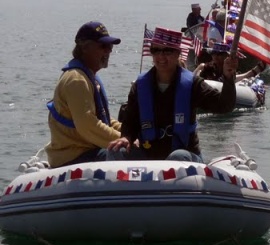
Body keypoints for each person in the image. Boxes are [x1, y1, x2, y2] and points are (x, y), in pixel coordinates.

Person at [107, 27, 238, 163]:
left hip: (185, 157)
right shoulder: (140, 86)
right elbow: (130, 122)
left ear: (178, 54)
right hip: (148, 156)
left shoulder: (192, 84)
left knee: (178, 156)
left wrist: (228, 78)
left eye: (167, 51)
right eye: (156, 50)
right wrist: (126, 138)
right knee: (115, 151)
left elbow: (224, 106)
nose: (161, 56)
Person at [45, 21, 123, 168]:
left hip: (89, 151)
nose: (109, 51)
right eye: (103, 46)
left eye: (110, 47)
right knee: (128, 153)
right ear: (85, 47)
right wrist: (124, 140)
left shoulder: (88, 76)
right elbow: (88, 126)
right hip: (73, 158)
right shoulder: (76, 80)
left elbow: (102, 118)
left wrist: (129, 133)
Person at [194, 42, 267, 83]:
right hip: (206, 92)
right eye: (214, 54)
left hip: (222, 92)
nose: (215, 56)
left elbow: (237, 78)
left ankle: (256, 70)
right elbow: (193, 78)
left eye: (219, 54)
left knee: (245, 76)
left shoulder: (230, 70)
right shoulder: (204, 67)